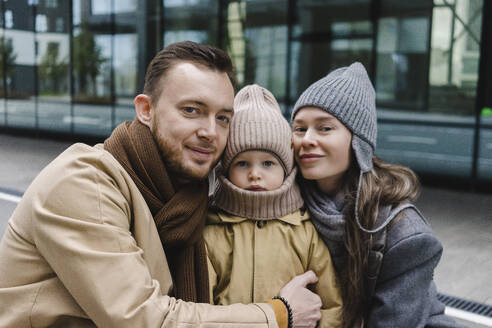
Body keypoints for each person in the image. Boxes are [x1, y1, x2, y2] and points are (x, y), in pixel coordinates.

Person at [0, 41, 322, 328]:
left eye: (223, 117)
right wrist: (279, 315)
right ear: (145, 109)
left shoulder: (189, 198)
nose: (210, 131)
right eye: (192, 110)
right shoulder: (84, 182)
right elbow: (144, 318)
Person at [290, 62, 465, 328]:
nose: (306, 139)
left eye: (324, 128)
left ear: (358, 142)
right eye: (299, 128)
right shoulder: (286, 201)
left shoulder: (404, 234)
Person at [204, 84, 343, 328]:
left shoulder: (304, 229)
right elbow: (202, 308)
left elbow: (332, 304)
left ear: (286, 168)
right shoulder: (212, 230)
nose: (255, 174)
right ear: (225, 169)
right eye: (242, 164)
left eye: (268, 164)